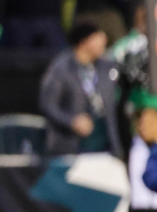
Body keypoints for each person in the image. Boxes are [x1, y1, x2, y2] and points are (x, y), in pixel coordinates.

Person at [39, 24, 122, 157]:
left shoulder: (107, 67)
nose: (104, 41)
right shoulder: (61, 68)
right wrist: (71, 121)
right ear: (85, 41)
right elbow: (48, 105)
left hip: (104, 144)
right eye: (98, 38)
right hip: (71, 147)